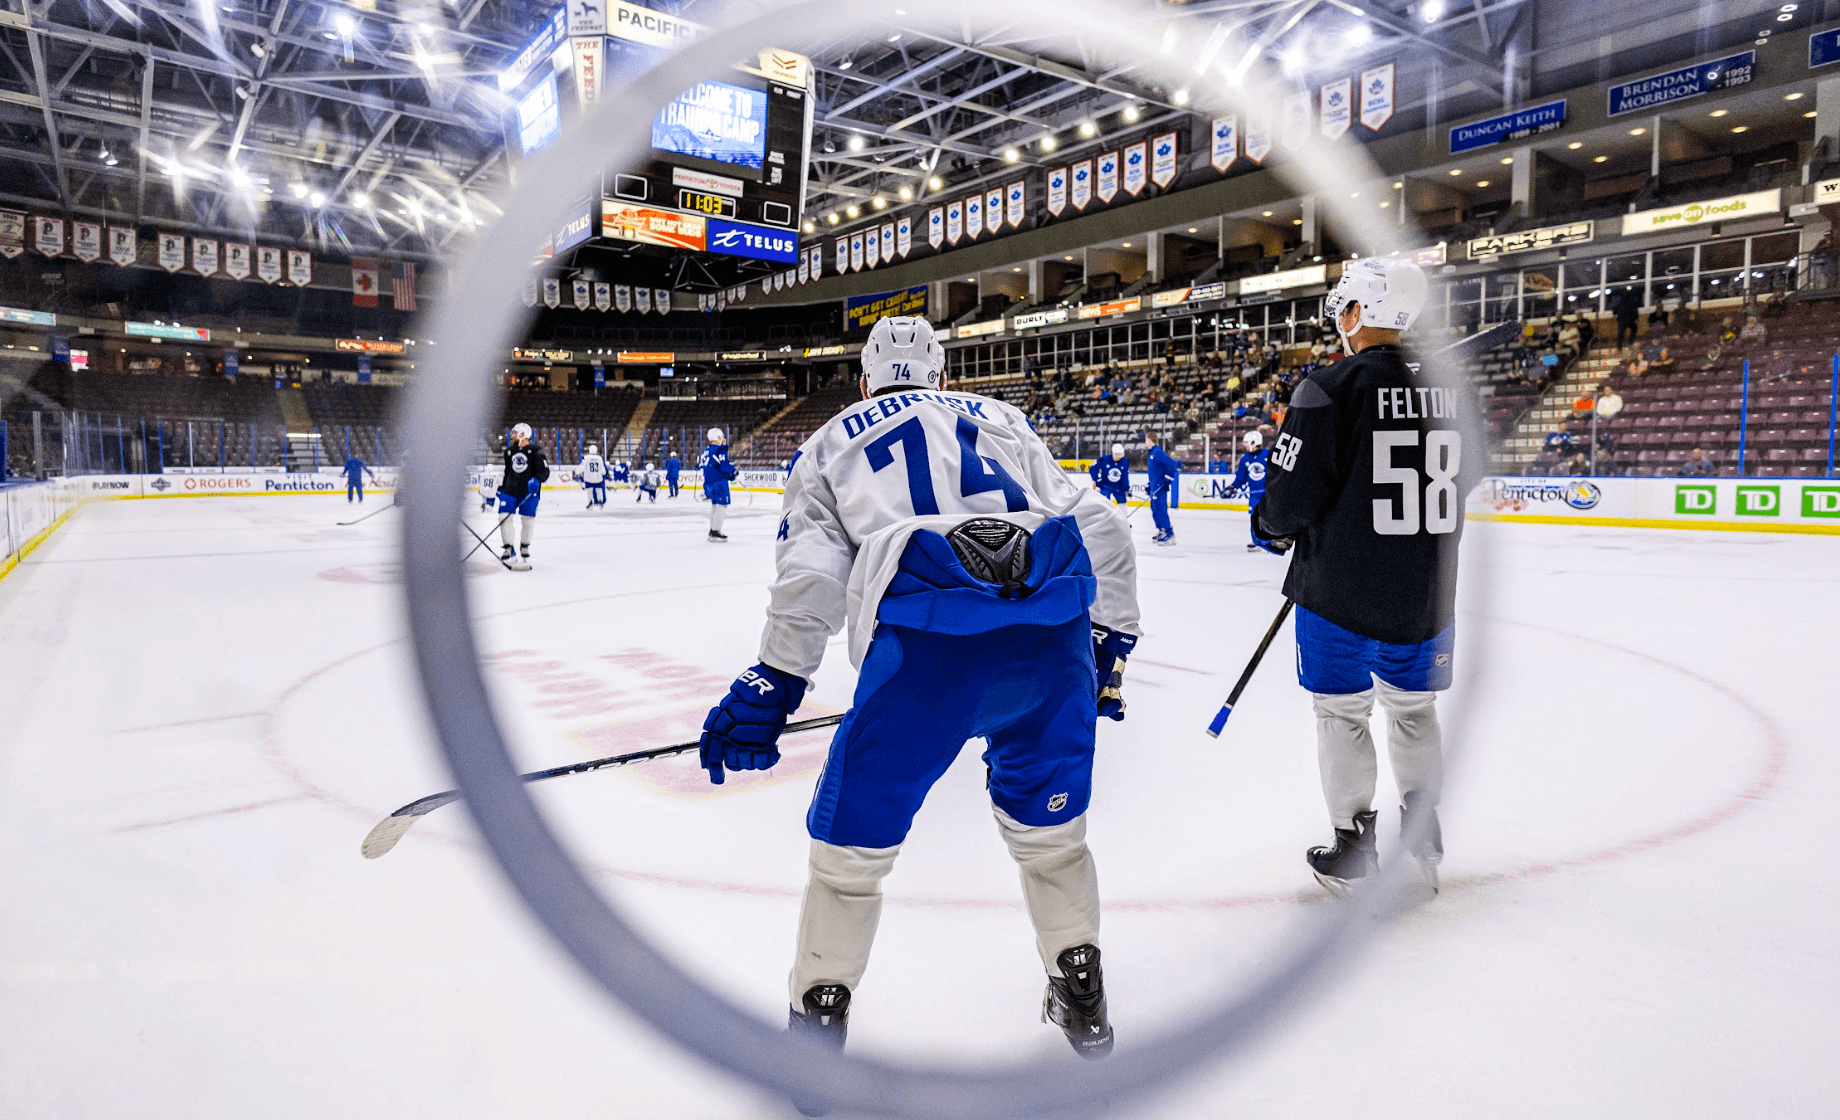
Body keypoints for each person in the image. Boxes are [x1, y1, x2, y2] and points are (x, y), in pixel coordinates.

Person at [696, 316, 1140, 1083]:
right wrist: (1110, 643)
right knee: (1053, 839)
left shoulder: (832, 439)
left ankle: (817, 1019)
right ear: (940, 376)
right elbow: (1099, 526)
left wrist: (776, 679)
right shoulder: (1003, 418)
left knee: (850, 860)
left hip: (923, 654)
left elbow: (812, 571)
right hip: (1049, 644)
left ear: (866, 381)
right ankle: (1082, 992)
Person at [1251, 256, 1475, 897]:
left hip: (1340, 593)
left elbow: (1289, 503)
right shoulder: (1454, 387)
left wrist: (1269, 524)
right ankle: (1423, 832)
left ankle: (1353, 847)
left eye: (1343, 306)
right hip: (1427, 591)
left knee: (1342, 713)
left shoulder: (1330, 387)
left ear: (1361, 310)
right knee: (1414, 710)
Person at [494, 422, 549, 570]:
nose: (511, 436)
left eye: (514, 433)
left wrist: (537, 480)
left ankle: (524, 546)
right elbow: (508, 472)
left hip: (529, 493)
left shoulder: (536, 450)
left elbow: (544, 472)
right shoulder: (509, 451)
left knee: (528, 521)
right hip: (510, 491)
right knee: (503, 517)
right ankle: (508, 548)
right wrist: (502, 487)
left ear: (522, 434)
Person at [1231, 429, 1272, 553]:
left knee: (1269, 517)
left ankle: (1270, 540)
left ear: (1254, 442)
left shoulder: (1268, 455)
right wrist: (1232, 487)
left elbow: (1278, 473)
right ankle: (1256, 540)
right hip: (1254, 495)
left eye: (1246, 442)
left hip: (1269, 494)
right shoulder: (1245, 459)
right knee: (1254, 517)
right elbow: (1241, 478)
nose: (1244, 445)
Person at [700, 428, 738, 542]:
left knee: (715, 505)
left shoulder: (707, 449)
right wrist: (733, 471)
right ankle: (715, 531)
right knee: (721, 505)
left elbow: (715, 466)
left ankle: (713, 530)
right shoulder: (719, 450)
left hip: (709, 481)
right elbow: (724, 466)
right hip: (719, 482)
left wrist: (730, 475)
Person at [1143, 432, 1180, 546]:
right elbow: (1156, 471)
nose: (1145, 442)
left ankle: (1169, 533)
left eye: (1146, 439)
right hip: (1155, 486)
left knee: (1161, 508)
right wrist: (1150, 485)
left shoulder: (1157, 452)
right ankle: (1162, 530)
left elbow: (1171, 465)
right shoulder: (1152, 453)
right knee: (1155, 508)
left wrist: (1166, 481)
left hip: (1160, 487)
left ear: (1150, 440)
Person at [580, 443, 608, 509]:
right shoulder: (599, 458)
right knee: (599, 489)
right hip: (598, 477)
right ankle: (600, 501)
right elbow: (603, 470)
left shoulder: (586, 458)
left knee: (589, 490)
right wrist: (603, 474)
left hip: (588, 477)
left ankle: (590, 502)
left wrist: (577, 472)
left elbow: (582, 467)